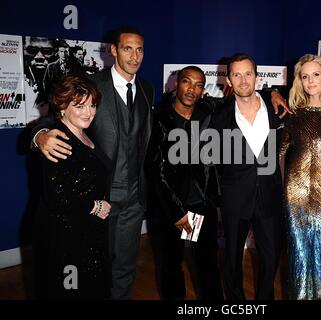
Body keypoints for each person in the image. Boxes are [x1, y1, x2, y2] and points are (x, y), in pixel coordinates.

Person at [32, 26, 154, 299]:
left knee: (125, 266)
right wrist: (39, 136)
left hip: (135, 197)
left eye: (140, 49)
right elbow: (52, 119)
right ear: (113, 50)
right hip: (101, 197)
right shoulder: (92, 85)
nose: (134, 56)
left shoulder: (147, 89)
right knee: (93, 269)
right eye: (127, 48)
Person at [211, 53, 284, 300]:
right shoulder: (219, 116)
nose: (243, 80)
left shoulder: (277, 108)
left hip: (269, 195)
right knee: (231, 258)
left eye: (248, 74)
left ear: (257, 77)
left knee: (271, 255)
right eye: (236, 75)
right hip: (235, 198)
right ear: (228, 80)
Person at [148, 66, 223, 300]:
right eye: (187, 82)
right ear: (176, 83)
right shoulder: (159, 118)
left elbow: (243, 95)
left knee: (207, 267)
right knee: (171, 266)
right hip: (172, 209)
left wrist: (273, 94)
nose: (192, 89)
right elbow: (154, 171)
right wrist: (177, 213)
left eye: (198, 84)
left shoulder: (207, 112)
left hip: (201, 205)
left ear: (203, 90)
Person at [33, 75, 112, 299]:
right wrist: (95, 206)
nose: (88, 112)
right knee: (71, 290)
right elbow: (57, 197)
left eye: (92, 105)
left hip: (86, 233)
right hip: (66, 239)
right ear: (62, 107)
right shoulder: (58, 140)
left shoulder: (85, 133)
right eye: (79, 106)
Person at [280, 54, 321, 300]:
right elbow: (281, 152)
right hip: (294, 192)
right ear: (299, 81)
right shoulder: (292, 114)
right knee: (298, 251)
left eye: (315, 74)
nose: (310, 81)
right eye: (305, 76)